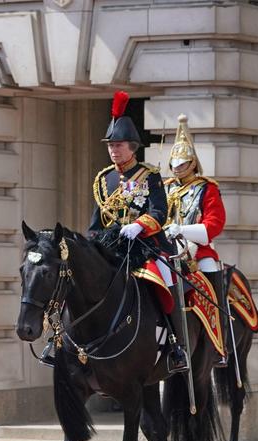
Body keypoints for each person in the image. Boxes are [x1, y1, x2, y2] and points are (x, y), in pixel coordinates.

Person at [87, 91, 188, 373]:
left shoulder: (149, 175)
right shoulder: (103, 178)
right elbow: (97, 221)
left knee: (165, 278)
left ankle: (175, 344)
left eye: (118, 145)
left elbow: (160, 212)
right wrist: (89, 244)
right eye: (110, 145)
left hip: (146, 246)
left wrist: (139, 225)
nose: (113, 150)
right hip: (112, 247)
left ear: (132, 147)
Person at [164, 113, 228, 366]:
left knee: (210, 278)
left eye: (183, 163)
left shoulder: (207, 188)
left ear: (192, 163)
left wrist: (182, 230)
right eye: (175, 163)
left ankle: (218, 344)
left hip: (197, 252)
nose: (178, 168)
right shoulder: (166, 187)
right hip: (167, 250)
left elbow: (214, 224)